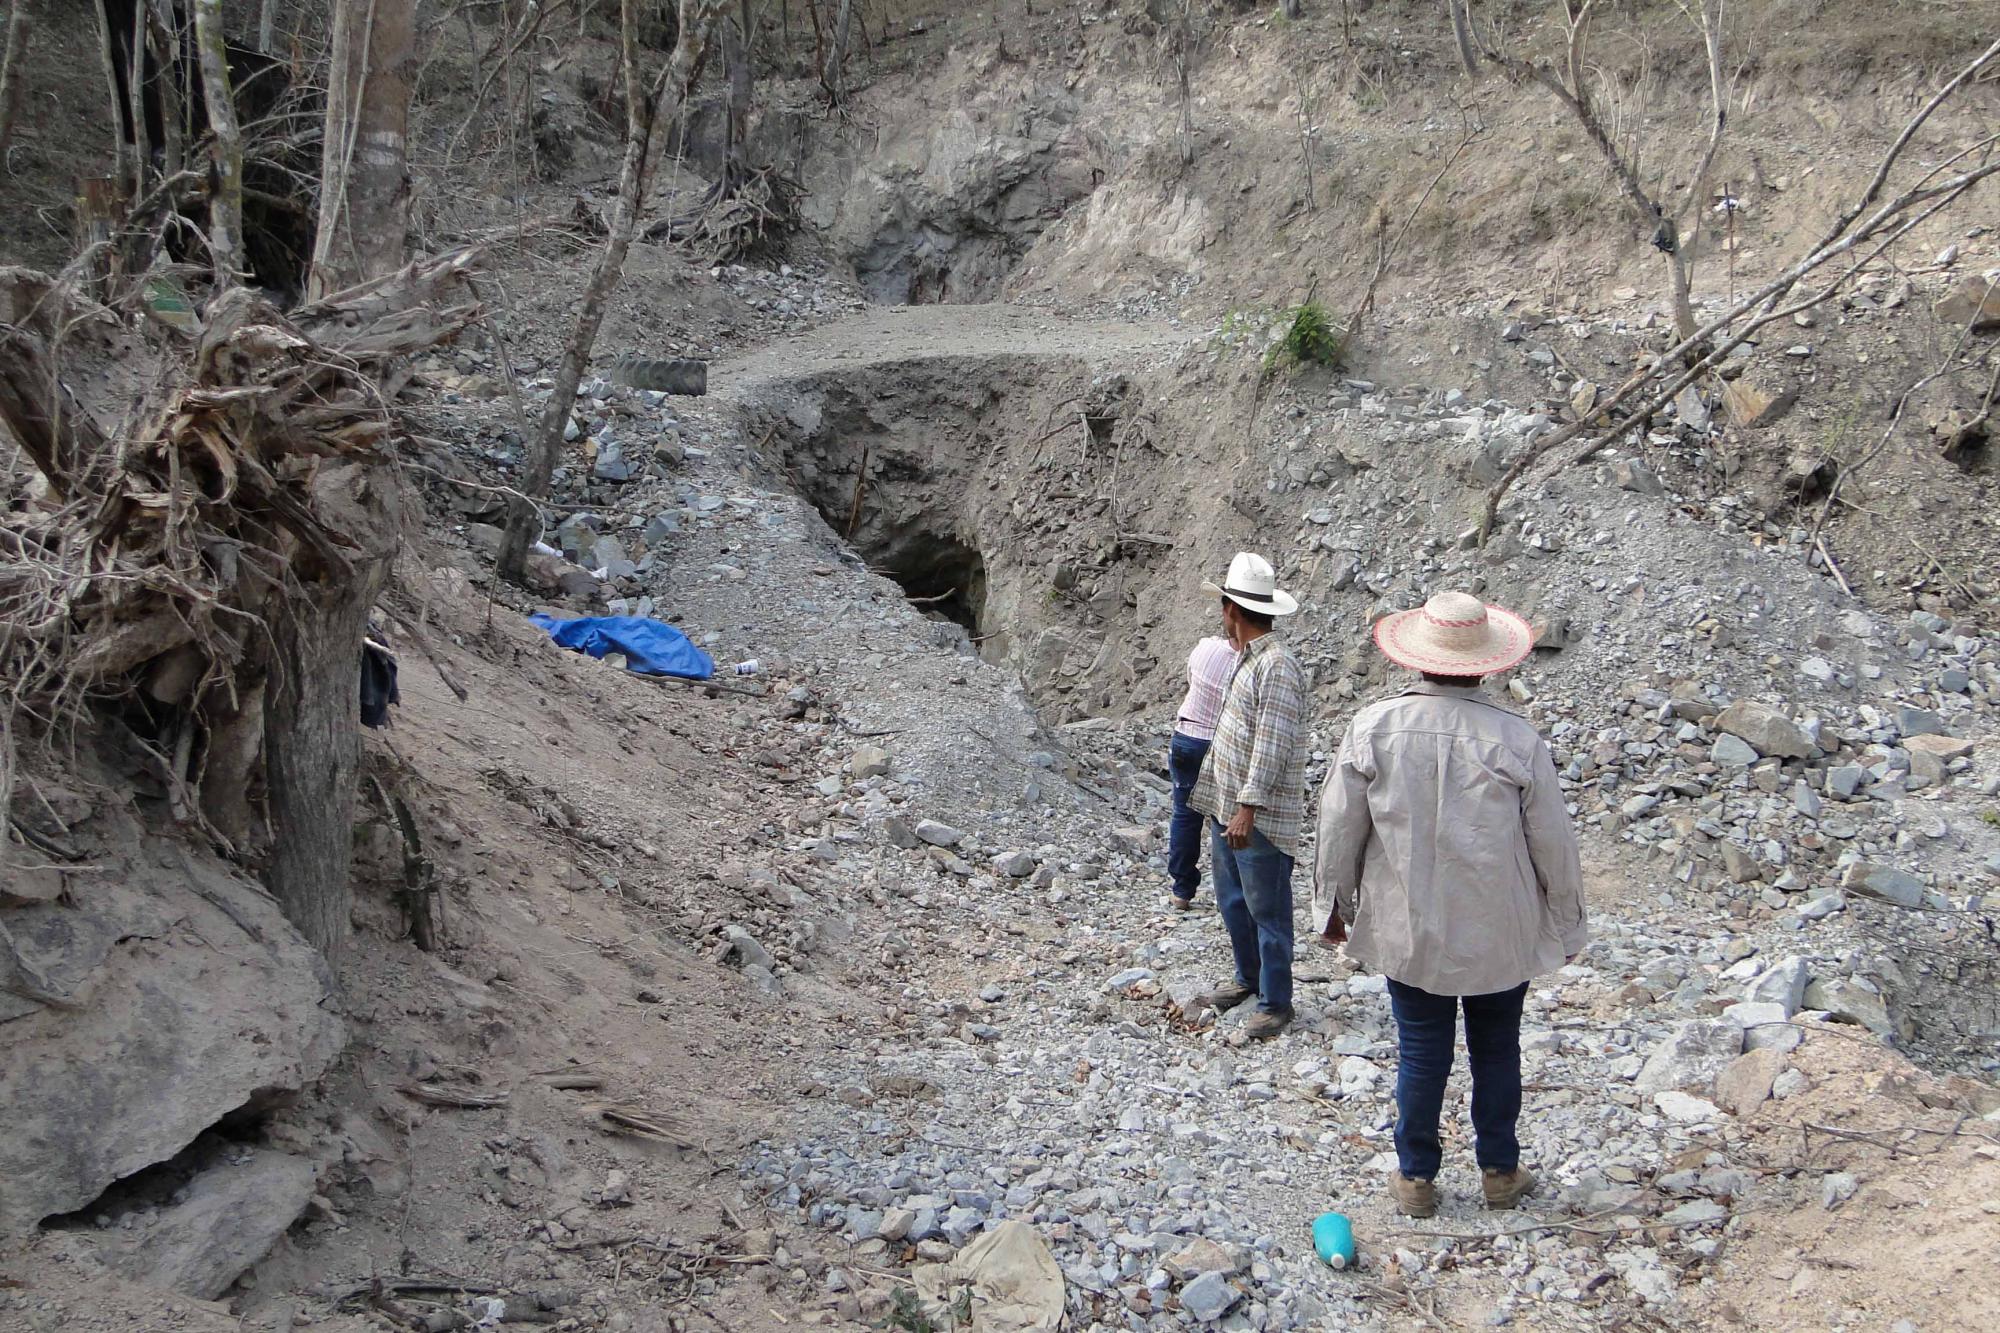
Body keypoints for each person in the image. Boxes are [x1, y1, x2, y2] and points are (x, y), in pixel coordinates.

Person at [1311, 590, 1586, 1218]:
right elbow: (1552, 841)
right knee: (1497, 1047)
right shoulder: (1517, 739)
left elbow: (1339, 827)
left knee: (1420, 1049)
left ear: (1417, 659)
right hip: (1499, 927)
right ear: (1487, 665)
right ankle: (1499, 1171)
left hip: (1409, 923)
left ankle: (1416, 1180)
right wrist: (1566, 921)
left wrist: (1335, 904)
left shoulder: (1373, 728)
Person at [1189, 552, 1309, 1040]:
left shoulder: (1276, 667)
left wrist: (1247, 807)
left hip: (1255, 815)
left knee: (1268, 909)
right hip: (1229, 806)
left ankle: (1276, 1002)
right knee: (1235, 901)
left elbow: (1273, 743)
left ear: (1230, 610)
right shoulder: (1252, 660)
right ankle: (1248, 978)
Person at [1166, 634, 1240, 910]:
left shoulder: (1205, 647)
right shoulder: (1246, 665)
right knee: (1224, 816)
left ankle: (1181, 890)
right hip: (1221, 741)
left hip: (1186, 734)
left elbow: (1190, 678)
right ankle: (1230, 894)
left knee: (1184, 814)